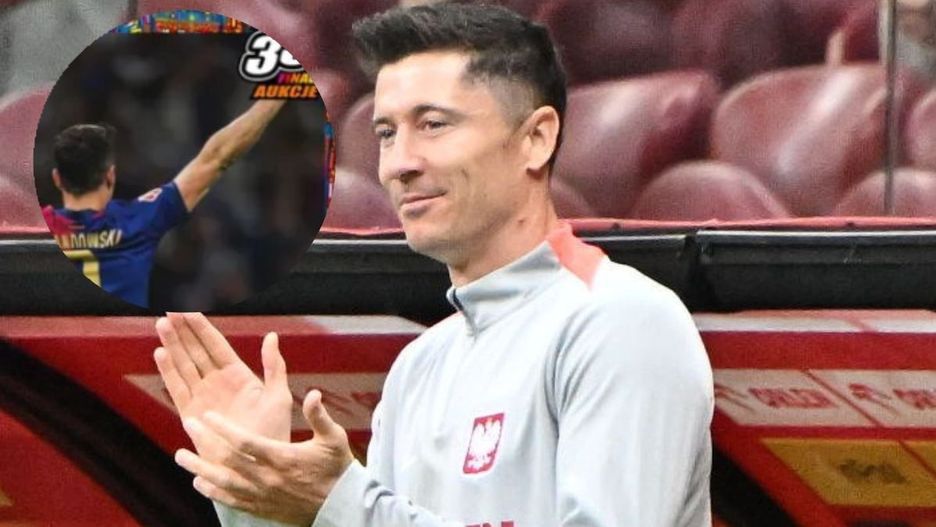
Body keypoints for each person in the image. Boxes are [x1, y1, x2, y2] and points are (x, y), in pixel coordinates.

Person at [154, 3, 714, 526]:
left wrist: (344, 504)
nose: (399, 164)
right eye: (385, 133)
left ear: (536, 139)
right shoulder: (418, 369)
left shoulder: (622, 322)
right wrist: (258, 496)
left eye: (433, 125)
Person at [43, 99, 286, 307]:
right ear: (111, 176)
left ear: (56, 178)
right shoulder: (139, 218)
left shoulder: (38, 228)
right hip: (125, 342)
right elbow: (216, 156)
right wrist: (273, 99)